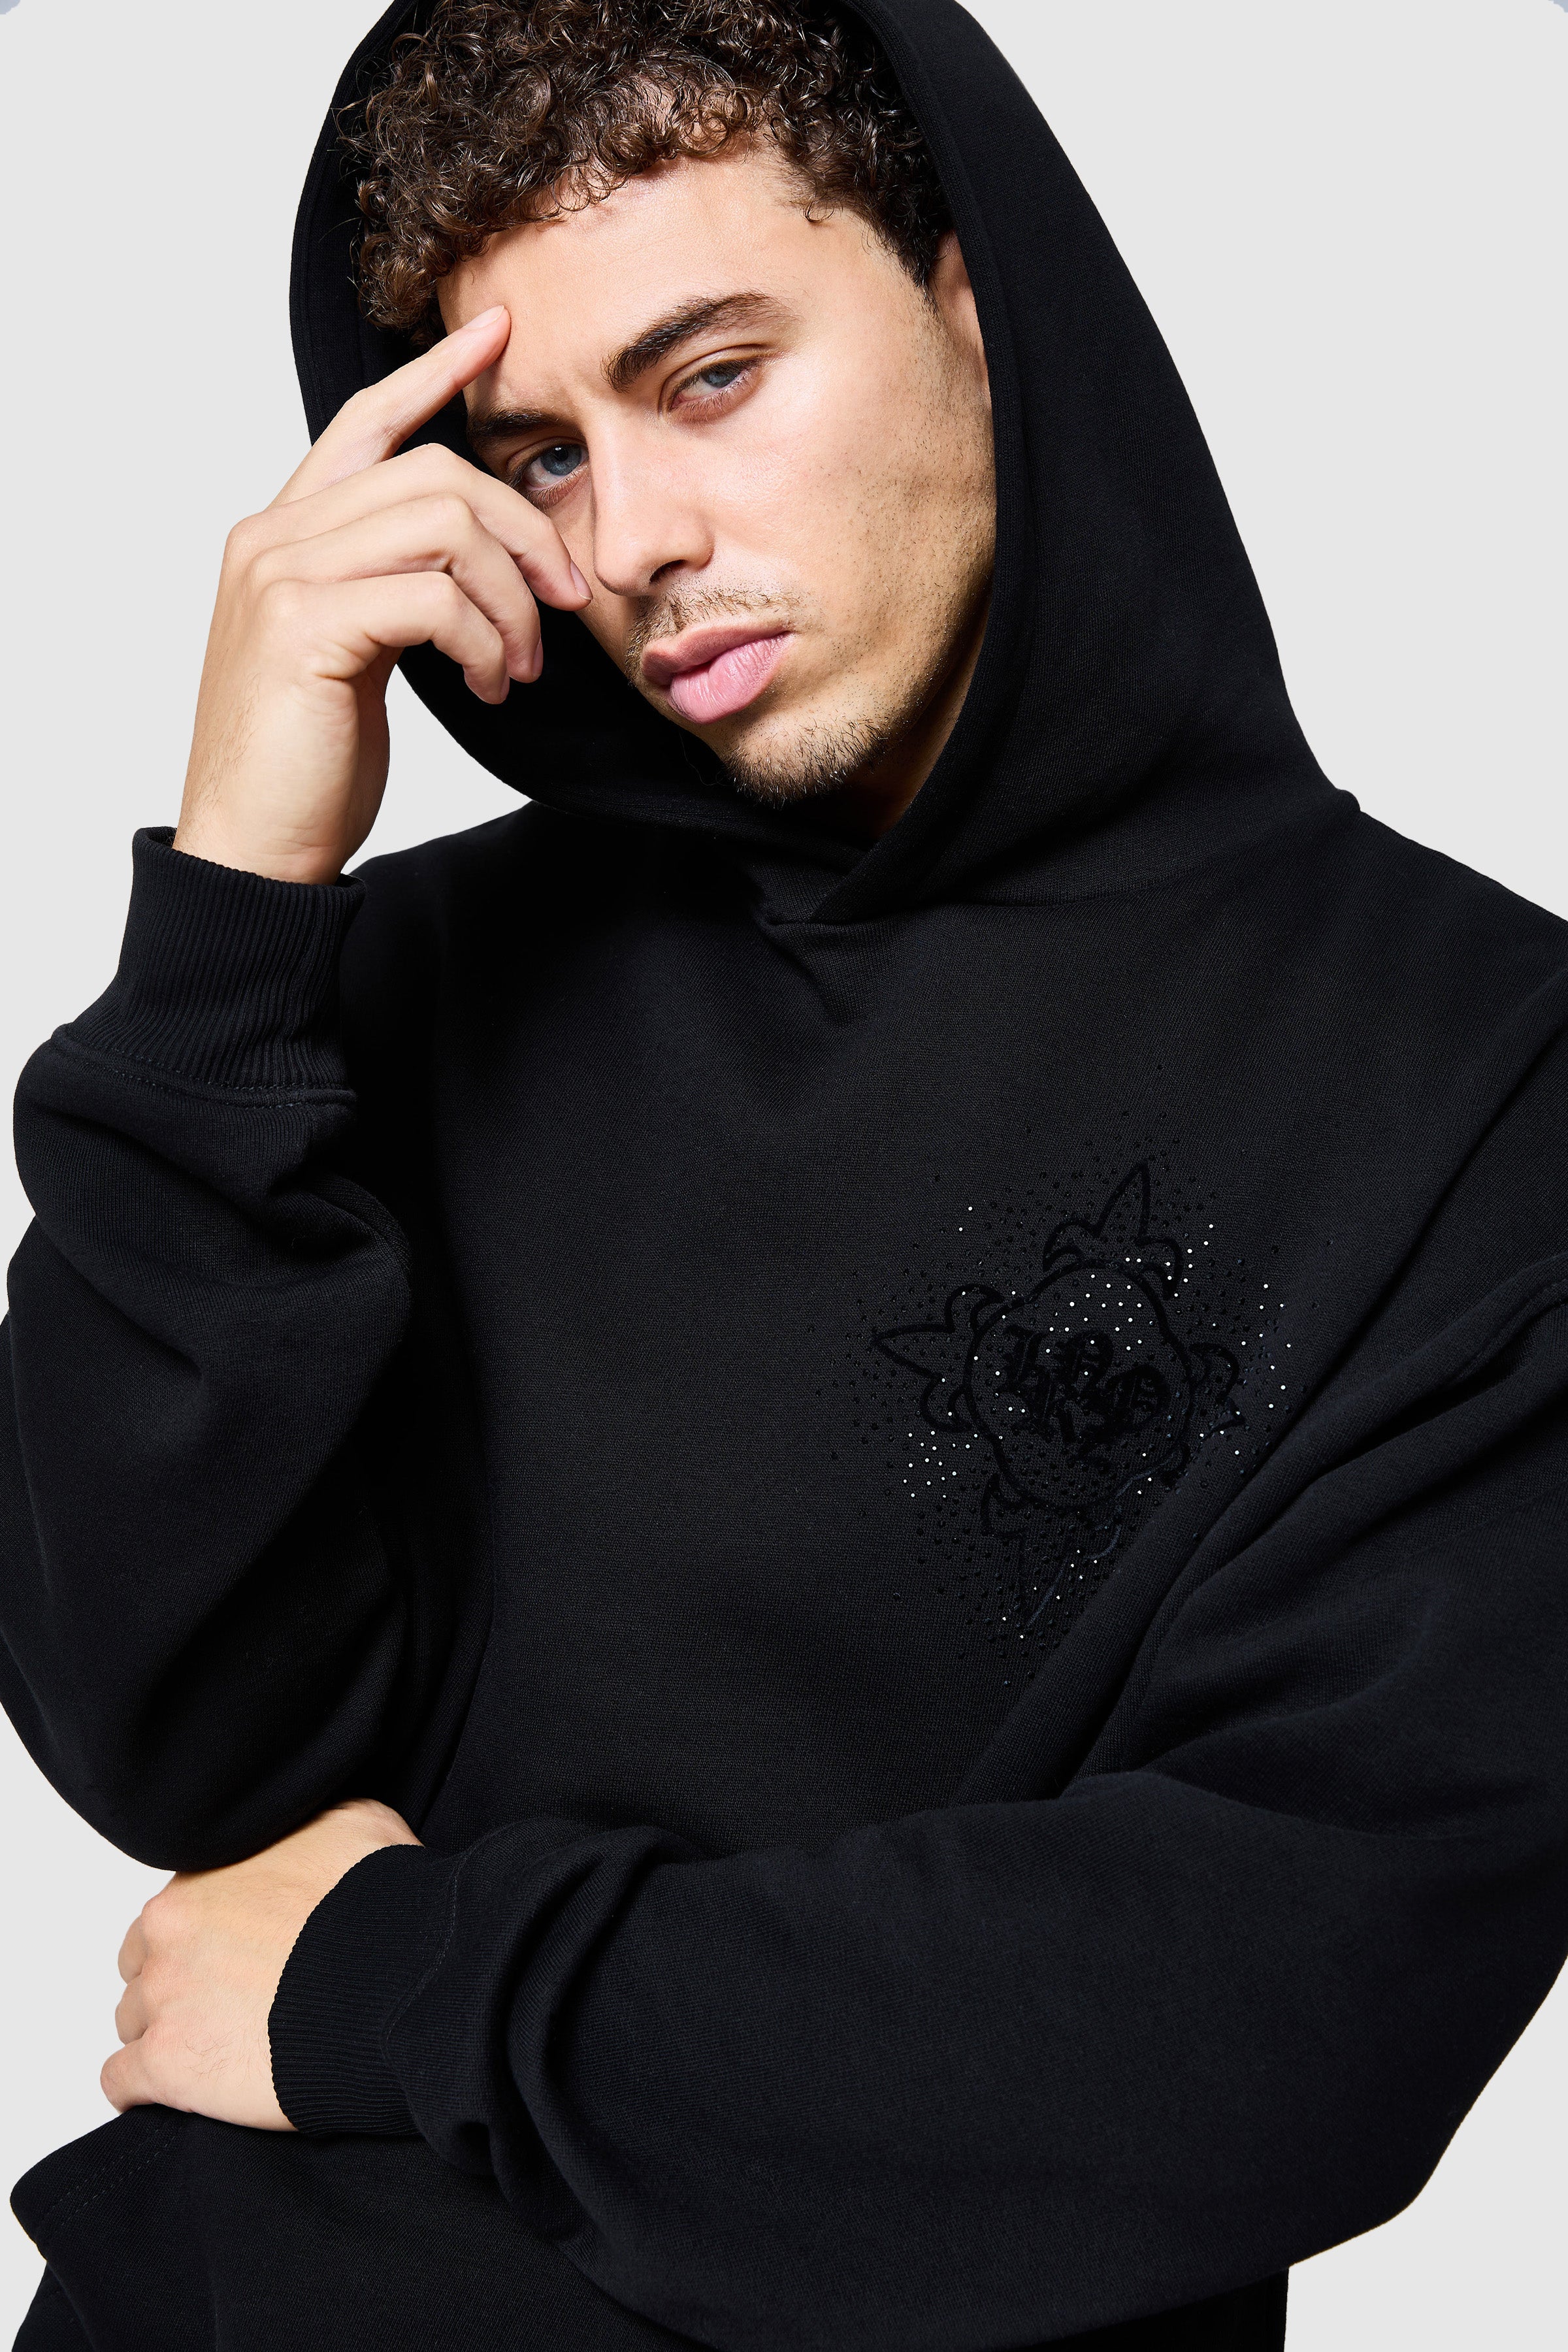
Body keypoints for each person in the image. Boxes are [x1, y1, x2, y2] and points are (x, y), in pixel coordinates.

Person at [3, 0, 1567, 2345]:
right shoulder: (389, 984)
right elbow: (168, 1737)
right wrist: (234, 908)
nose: (630, 542)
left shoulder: (1481, 1080)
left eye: (713, 375)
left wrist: (407, 1988)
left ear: (978, 305)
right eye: (539, 453)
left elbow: (1270, 2014)